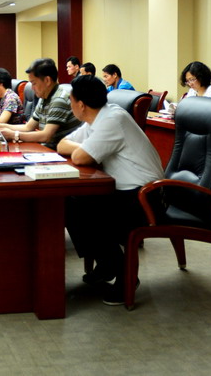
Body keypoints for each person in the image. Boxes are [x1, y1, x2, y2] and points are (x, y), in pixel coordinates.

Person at [57, 74, 165, 304]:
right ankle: (108, 265)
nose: (70, 105)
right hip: (125, 191)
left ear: (81, 104)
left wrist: (85, 148)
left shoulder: (112, 119)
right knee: (70, 201)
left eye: (71, 100)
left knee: (81, 210)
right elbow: (62, 144)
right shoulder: (96, 118)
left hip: (145, 196)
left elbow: (80, 156)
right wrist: (86, 146)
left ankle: (125, 275)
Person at [0, 58, 81, 149]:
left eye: (34, 83)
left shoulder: (59, 99)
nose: (32, 88)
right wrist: (0, 126)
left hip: (60, 153)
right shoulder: (44, 97)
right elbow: (28, 127)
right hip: (47, 149)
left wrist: (14, 135)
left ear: (47, 80)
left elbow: (46, 136)